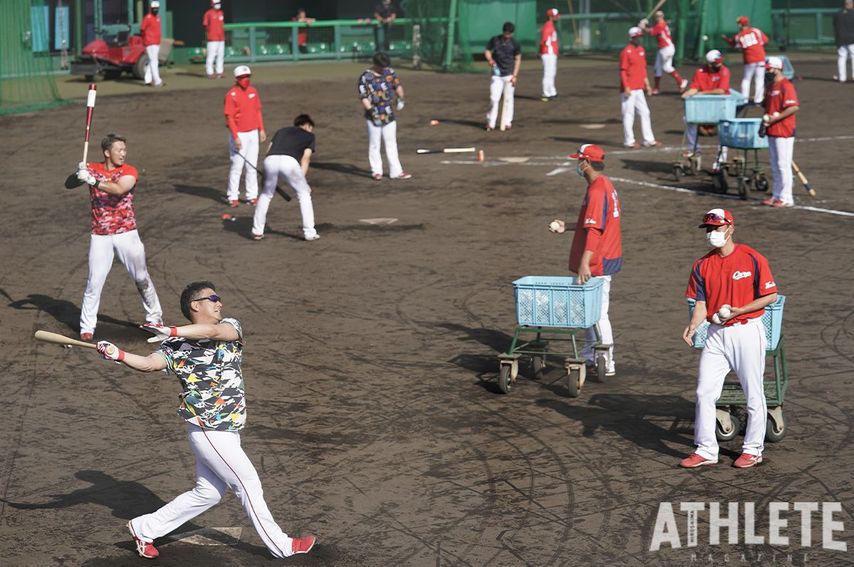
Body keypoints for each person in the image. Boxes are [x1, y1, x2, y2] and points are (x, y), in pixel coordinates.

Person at [93, 281, 317, 559]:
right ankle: (282, 546)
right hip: (209, 430)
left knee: (208, 493)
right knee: (248, 484)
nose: (219, 302)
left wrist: (171, 329)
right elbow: (151, 363)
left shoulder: (229, 327)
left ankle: (144, 527)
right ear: (195, 305)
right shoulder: (175, 345)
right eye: (213, 298)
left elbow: (212, 331)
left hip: (227, 430)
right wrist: (119, 354)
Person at [681, 209, 779, 469]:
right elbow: (701, 303)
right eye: (708, 229)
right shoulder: (702, 265)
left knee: (753, 392)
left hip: (746, 331)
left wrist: (740, 310)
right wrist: (692, 325)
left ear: (730, 228)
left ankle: (753, 449)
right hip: (716, 334)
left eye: (716, 228)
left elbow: (770, 296)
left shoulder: (752, 258)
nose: (712, 233)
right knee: (704, 392)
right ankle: (706, 450)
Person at [65, 133, 163, 341]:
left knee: (141, 277)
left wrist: (92, 179)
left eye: (125, 150)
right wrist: (79, 173)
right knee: (94, 282)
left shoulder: (129, 171)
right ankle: (87, 326)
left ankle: (155, 318)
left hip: (127, 234)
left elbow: (119, 189)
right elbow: (69, 184)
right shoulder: (92, 168)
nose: (123, 154)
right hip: (100, 236)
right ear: (107, 152)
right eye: (119, 150)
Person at [548, 144, 622, 377]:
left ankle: (606, 361)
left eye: (578, 161)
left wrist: (584, 262)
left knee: (598, 312)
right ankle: (592, 354)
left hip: (598, 260)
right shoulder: (602, 185)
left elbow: (595, 231)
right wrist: (567, 226)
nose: (577, 165)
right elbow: (593, 223)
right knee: (588, 309)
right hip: (602, 256)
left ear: (586, 163)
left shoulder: (597, 191)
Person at [252, 114, 320, 242]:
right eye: (311, 128)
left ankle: (257, 231)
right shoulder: (310, 136)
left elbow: (269, 151)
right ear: (307, 125)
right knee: (304, 193)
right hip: (289, 162)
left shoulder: (281, 131)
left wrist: (266, 174)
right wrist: (302, 182)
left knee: (266, 194)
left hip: (270, 160)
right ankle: (309, 232)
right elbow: (305, 159)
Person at [357, 51, 411, 180]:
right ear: (375, 64)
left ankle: (396, 171)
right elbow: (363, 97)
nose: (384, 68)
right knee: (375, 144)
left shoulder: (389, 73)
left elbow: (397, 86)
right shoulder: (365, 77)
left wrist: (401, 98)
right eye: (382, 66)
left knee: (391, 143)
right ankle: (376, 171)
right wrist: (371, 110)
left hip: (388, 114)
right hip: (373, 116)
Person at [224, 65, 266, 207]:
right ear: (237, 79)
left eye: (247, 77)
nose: (245, 80)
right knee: (237, 166)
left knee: (252, 166)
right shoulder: (231, 95)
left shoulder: (254, 91)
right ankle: (232, 196)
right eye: (242, 78)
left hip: (253, 133)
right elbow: (229, 118)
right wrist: (235, 137)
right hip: (240, 134)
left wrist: (261, 129)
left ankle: (252, 196)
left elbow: (258, 111)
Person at [681, 49, 731, 168]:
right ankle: (694, 149)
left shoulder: (724, 71)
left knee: (725, 125)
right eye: (716, 62)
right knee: (688, 119)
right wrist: (687, 94)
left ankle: (722, 158)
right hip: (705, 106)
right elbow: (694, 88)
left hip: (720, 105)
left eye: (720, 62)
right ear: (709, 63)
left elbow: (721, 91)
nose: (720, 64)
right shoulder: (700, 72)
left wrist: (702, 94)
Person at [761, 56, 800, 208]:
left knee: (783, 165)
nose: (767, 71)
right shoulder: (771, 87)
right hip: (772, 130)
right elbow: (768, 108)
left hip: (784, 130)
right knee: (775, 165)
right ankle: (776, 194)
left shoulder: (786, 86)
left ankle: (786, 197)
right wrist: (765, 122)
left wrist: (773, 119)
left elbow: (793, 107)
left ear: (777, 68)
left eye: (769, 69)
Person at [619, 27, 659, 148]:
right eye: (637, 37)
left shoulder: (641, 50)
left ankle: (648, 139)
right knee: (628, 114)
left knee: (645, 112)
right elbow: (622, 71)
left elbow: (643, 70)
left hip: (639, 88)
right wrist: (626, 87)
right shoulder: (626, 52)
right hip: (629, 89)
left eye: (640, 37)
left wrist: (647, 85)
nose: (639, 39)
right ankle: (629, 141)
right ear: (631, 38)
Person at [639, 10, 688, 94]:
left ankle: (681, 81)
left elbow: (652, 32)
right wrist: (645, 24)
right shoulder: (661, 24)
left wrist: (643, 26)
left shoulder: (661, 24)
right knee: (657, 67)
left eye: (660, 16)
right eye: (657, 16)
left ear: (662, 16)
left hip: (666, 49)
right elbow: (653, 29)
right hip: (664, 48)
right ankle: (656, 88)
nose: (658, 17)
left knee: (666, 67)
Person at [722, 16, 769, 105]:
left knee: (747, 79)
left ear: (740, 25)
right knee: (760, 78)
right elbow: (765, 40)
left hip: (749, 59)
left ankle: (744, 99)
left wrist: (725, 39)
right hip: (760, 57)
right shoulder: (756, 31)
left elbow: (733, 43)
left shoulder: (739, 35)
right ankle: (758, 100)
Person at [484, 22, 522, 130]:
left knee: (508, 99)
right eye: (506, 33)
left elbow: (518, 59)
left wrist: (515, 75)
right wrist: (490, 59)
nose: (507, 36)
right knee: (494, 98)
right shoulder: (495, 40)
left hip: (509, 74)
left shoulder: (515, 43)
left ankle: (507, 122)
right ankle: (490, 122)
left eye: (509, 34)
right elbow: (487, 50)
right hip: (497, 74)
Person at [140, 0, 164, 87]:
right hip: (150, 42)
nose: (155, 10)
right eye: (154, 8)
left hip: (157, 42)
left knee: (152, 61)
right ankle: (157, 81)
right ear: (151, 8)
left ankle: (147, 80)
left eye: (157, 8)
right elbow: (142, 29)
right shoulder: (147, 17)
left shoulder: (158, 18)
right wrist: (145, 40)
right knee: (154, 61)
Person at [540, 8, 559, 101]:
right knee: (548, 74)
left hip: (551, 53)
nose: (557, 18)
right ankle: (545, 93)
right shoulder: (548, 26)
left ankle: (552, 92)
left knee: (552, 73)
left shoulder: (551, 25)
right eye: (555, 16)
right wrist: (549, 49)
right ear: (550, 17)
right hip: (548, 53)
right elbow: (545, 40)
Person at [202, 0, 225, 79]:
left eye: (219, 3)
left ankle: (219, 72)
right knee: (211, 56)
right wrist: (209, 34)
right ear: (212, 4)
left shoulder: (221, 12)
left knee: (220, 55)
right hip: (212, 38)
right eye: (216, 3)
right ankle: (210, 72)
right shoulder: (208, 13)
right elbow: (205, 25)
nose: (218, 5)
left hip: (221, 38)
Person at [833, 0, 854, 82]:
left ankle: (842, 78)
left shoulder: (837, 14)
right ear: (851, 4)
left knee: (842, 57)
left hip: (840, 38)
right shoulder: (853, 14)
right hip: (852, 39)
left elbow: (834, 25)